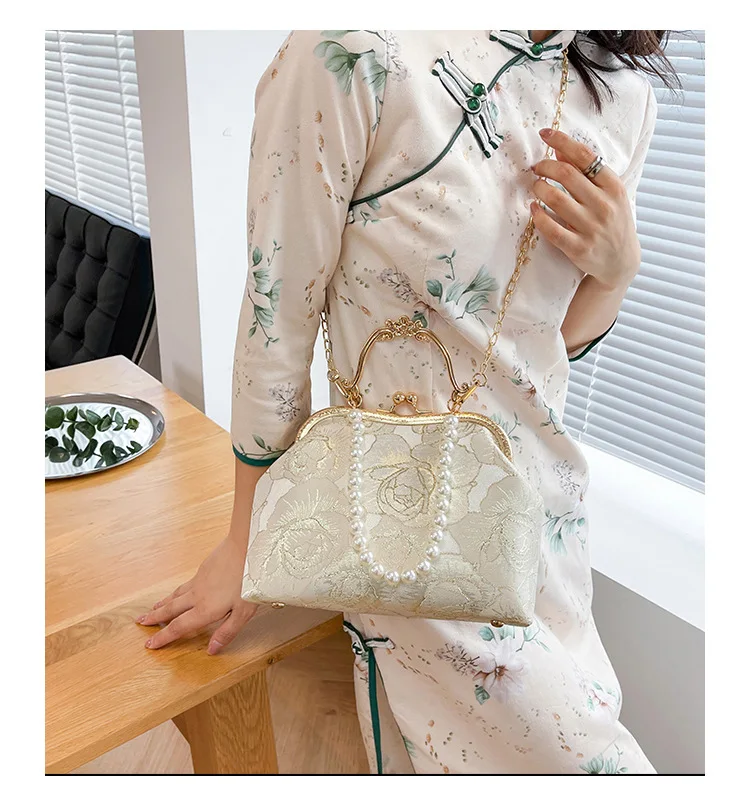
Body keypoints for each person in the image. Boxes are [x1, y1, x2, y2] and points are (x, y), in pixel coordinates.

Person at [137, 30, 676, 774]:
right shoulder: (356, 50)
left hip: (547, 521)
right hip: (406, 531)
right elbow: (277, 316)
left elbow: (546, 347)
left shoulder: (622, 96)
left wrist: (617, 271)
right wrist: (247, 540)